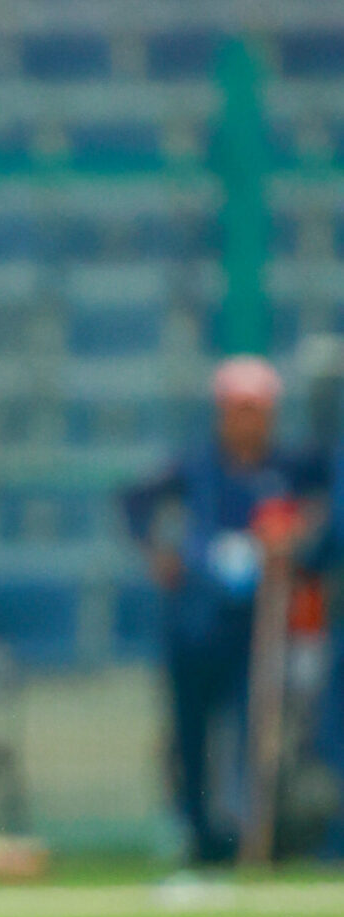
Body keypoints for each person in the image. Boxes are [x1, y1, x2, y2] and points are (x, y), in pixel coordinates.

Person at [122, 356, 329, 865]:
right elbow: (135, 502)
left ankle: (253, 832)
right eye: (239, 409)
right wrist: (159, 555)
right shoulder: (195, 466)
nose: (248, 421)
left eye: (257, 410)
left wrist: (298, 533)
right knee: (190, 735)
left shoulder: (288, 468)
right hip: (195, 622)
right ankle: (196, 833)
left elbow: (328, 496)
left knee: (256, 732)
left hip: (258, 627)